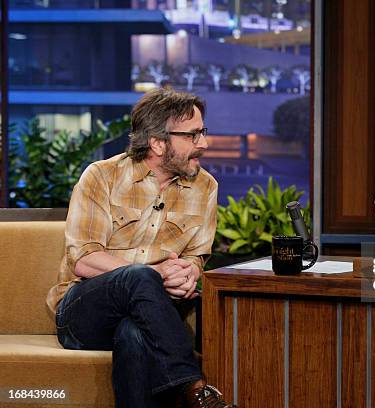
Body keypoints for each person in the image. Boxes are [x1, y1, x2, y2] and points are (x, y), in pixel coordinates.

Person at [46, 88, 235, 408]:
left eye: (202, 132)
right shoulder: (102, 176)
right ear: (158, 143)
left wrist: (188, 274)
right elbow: (84, 259)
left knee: (133, 335)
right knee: (138, 276)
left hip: (153, 314)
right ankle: (194, 386)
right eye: (192, 135)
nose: (203, 144)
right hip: (83, 311)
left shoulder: (206, 187)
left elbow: (196, 259)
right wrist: (153, 273)